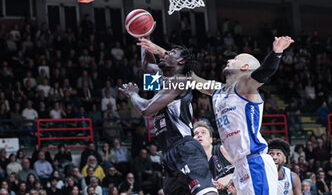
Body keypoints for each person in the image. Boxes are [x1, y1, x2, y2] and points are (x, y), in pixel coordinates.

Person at [138, 36, 294, 194]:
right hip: (239, 165)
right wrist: (159, 50)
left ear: (245, 67)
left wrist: (276, 53)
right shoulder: (218, 90)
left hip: (255, 161)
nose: (229, 60)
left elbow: (264, 73)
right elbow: (190, 75)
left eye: (235, 59)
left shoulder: (245, 87)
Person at [120, 40, 218, 195]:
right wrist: (143, 35)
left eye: (171, 53)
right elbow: (146, 65)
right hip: (168, 153)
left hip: (185, 147)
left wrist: (132, 94)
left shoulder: (180, 80)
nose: (165, 53)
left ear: (181, 61)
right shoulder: (161, 77)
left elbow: (146, 109)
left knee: (205, 193)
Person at [193, 120, 235, 195]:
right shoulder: (194, 165)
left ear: (211, 140)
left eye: (203, 132)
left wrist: (229, 177)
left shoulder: (222, 150)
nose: (199, 135)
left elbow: (246, 168)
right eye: (196, 134)